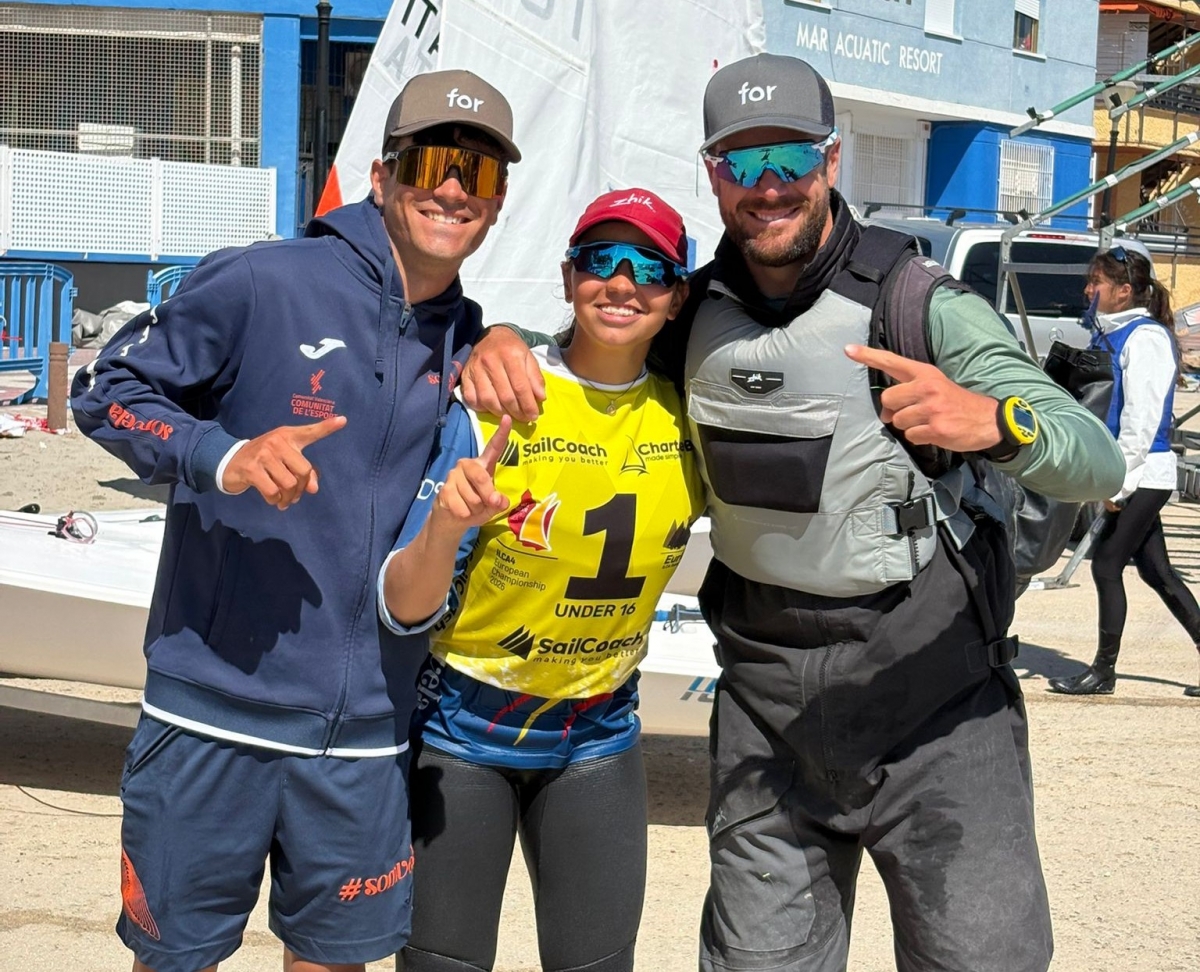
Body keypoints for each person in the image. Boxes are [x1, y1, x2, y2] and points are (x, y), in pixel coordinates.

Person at [460, 54, 1127, 972]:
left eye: (789, 159)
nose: (767, 186)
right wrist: (493, 338)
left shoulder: (918, 302)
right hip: (768, 711)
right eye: (740, 162)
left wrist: (996, 423)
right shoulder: (691, 314)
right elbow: (588, 354)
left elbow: (1098, 461)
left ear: (831, 160)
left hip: (938, 708)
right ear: (712, 173)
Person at [69, 69, 519, 972]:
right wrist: (223, 455)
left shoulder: (462, 338)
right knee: (175, 962)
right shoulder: (262, 279)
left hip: (364, 738)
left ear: (499, 203)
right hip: (211, 716)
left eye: (481, 173)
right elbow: (101, 388)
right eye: (432, 160)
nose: (454, 187)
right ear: (383, 176)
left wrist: (490, 334)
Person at [378, 188, 705, 972]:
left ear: (677, 296)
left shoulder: (693, 414)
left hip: (599, 732)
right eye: (600, 260)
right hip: (463, 732)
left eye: (650, 268)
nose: (622, 282)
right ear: (567, 277)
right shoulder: (494, 401)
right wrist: (447, 526)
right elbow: (399, 604)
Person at [1049, 246, 1200, 698]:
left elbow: (1142, 419)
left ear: (1124, 291)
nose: (1088, 289)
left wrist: (1120, 482)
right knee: (1158, 573)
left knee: (1108, 565)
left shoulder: (1146, 338)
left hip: (1145, 474)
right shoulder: (1109, 334)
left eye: (1097, 282)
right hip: (1135, 473)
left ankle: (1103, 672)